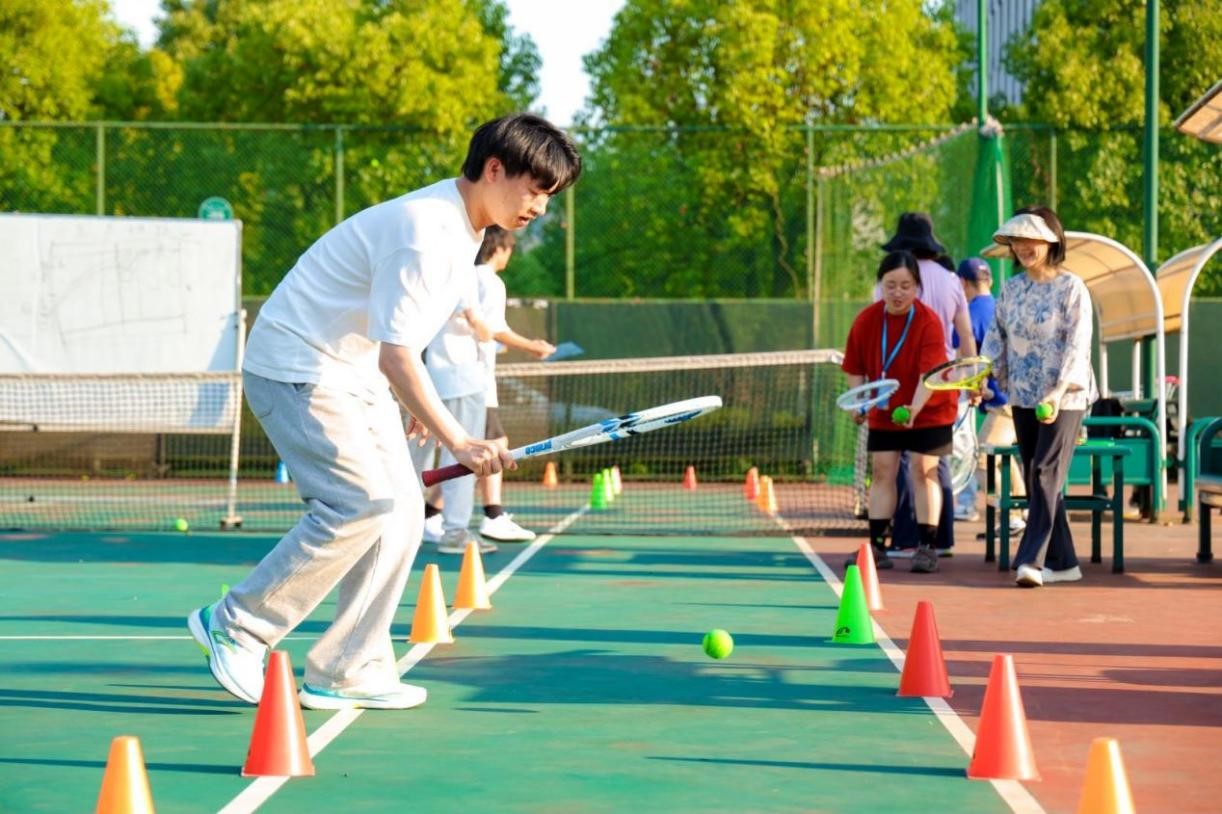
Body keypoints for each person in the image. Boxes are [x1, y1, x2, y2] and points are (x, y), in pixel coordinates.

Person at [187, 113, 582, 710]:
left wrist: (407, 395)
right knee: (359, 503)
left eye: (549, 197)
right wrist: (459, 439)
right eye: (535, 190)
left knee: (401, 516)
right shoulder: (428, 230)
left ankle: (349, 668)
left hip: (354, 372)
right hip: (298, 368)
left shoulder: (463, 231)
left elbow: (401, 336)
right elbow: (397, 353)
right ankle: (235, 625)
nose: (541, 208)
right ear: (494, 169)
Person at [980, 206, 1097, 588]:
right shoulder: (1012, 288)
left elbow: (1078, 345)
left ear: (1051, 241)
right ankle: (1064, 563)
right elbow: (996, 338)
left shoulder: (1072, 288)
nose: (1023, 247)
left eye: (1031, 239)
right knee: (1036, 476)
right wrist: (982, 376)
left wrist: (1060, 391)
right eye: (1017, 240)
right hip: (1022, 395)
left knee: (1045, 472)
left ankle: (1030, 559)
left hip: (1065, 397)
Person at [418, 226, 555, 546]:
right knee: (472, 452)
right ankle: (464, 527)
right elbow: (484, 327)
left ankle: (424, 519)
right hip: (463, 379)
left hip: (440, 377)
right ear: (499, 248)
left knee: (438, 454)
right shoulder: (476, 276)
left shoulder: (443, 272)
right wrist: (527, 345)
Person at [843, 250, 958, 574]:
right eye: (890, 285)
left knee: (923, 470)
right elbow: (854, 367)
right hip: (885, 408)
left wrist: (915, 408)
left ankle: (927, 547)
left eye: (905, 286)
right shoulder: (866, 320)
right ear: (880, 285)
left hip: (931, 407)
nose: (897, 293)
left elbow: (930, 375)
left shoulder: (928, 321)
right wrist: (859, 404)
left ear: (917, 287)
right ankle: (878, 547)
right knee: (882, 471)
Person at [875, 213, 975, 557]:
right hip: (943, 379)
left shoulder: (891, 279)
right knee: (934, 460)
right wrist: (970, 379)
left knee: (903, 461)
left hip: (901, 378)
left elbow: (878, 325)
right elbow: (965, 334)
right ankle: (938, 540)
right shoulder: (950, 279)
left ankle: (907, 538)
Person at [411, 263, 500, 555]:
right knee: (463, 457)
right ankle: (455, 531)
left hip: (425, 379)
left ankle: (401, 526)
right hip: (460, 380)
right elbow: (482, 329)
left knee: (415, 456)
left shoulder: (426, 269)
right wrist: (487, 331)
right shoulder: (460, 269)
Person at [951, 256, 1027, 528]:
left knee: (984, 457)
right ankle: (1023, 509)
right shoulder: (1000, 307)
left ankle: (1012, 516)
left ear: (962, 283)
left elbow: (964, 362)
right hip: (1020, 398)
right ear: (990, 281)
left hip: (1004, 402)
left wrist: (967, 386)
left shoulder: (967, 315)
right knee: (1002, 455)